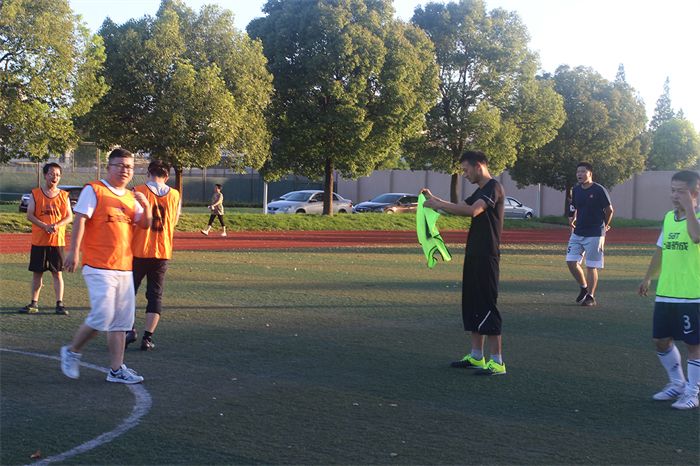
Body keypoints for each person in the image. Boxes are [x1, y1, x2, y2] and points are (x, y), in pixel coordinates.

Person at [60, 148, 152, 384]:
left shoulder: (131, 197)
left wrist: (147, 206)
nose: (124, 170)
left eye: (129, 167)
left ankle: (116, 370)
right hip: (98, 264)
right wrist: (73, 251)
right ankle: (72, 351)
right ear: (109, 167)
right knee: (103, 316)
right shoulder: (94, 190)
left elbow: (145, 224)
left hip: (124, 266)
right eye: (120, 165)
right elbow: (80, 219)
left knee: (121, 322)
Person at [422, 150, 507, 376]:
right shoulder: (480, 190)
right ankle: (477, 356)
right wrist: (435, 200)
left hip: (487, 255)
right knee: (472, 302)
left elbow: (472, 210)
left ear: (479, 166)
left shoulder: (493, 187)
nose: (465, 174)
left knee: (486, 303)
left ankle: (497, 361)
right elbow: (458, 206)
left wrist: (437, 204)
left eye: (466, 170)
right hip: (474, 253)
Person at [639, 170, 700, 410]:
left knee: (694, 345)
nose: (675, 195)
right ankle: (678, 384)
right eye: (673, 190)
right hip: (666, 292)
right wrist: (648, 278)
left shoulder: (697, 218)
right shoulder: (668, 217)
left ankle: (693, 392)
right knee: (660, 340)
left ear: (694, 192)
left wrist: (690, 208)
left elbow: (696, 237)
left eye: (681, 191)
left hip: (692, 294)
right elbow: (661, 250)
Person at [126, 160, 181, 351]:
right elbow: (174, 221)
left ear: (148, 173)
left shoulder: (137, 190)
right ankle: (147, 338)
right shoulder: (175, 194)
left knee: (128, 293)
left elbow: (131, 219)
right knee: (155, 295)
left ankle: (129, 329)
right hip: (162, 250)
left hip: (139, 249)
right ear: (167, 176)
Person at [19, 163, 74, 315]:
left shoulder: (64, 195)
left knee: (57, 273)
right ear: (45, 175)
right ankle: (34, 303)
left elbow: (69, 216)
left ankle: (59, 304)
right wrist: (44, 226)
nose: (55, 177)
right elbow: (30, 215)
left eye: (58, 174)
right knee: (37, 273)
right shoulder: (35, 193)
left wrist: (56, 225)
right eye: (51, 174)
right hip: (39, 241)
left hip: (57, 241)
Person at [566, 162, 614, 307]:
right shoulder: (576, 190)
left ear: (590, 173)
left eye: (583, 171)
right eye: (578, 172)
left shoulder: (599, 190)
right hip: (578, 232)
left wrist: (605, 225)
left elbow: (609, 210)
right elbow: (574, 206)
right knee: (571, 262)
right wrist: (572, 218)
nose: (579, 174)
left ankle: (590, 297)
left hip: (595, 233)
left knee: (591, 266)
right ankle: (583, 287)